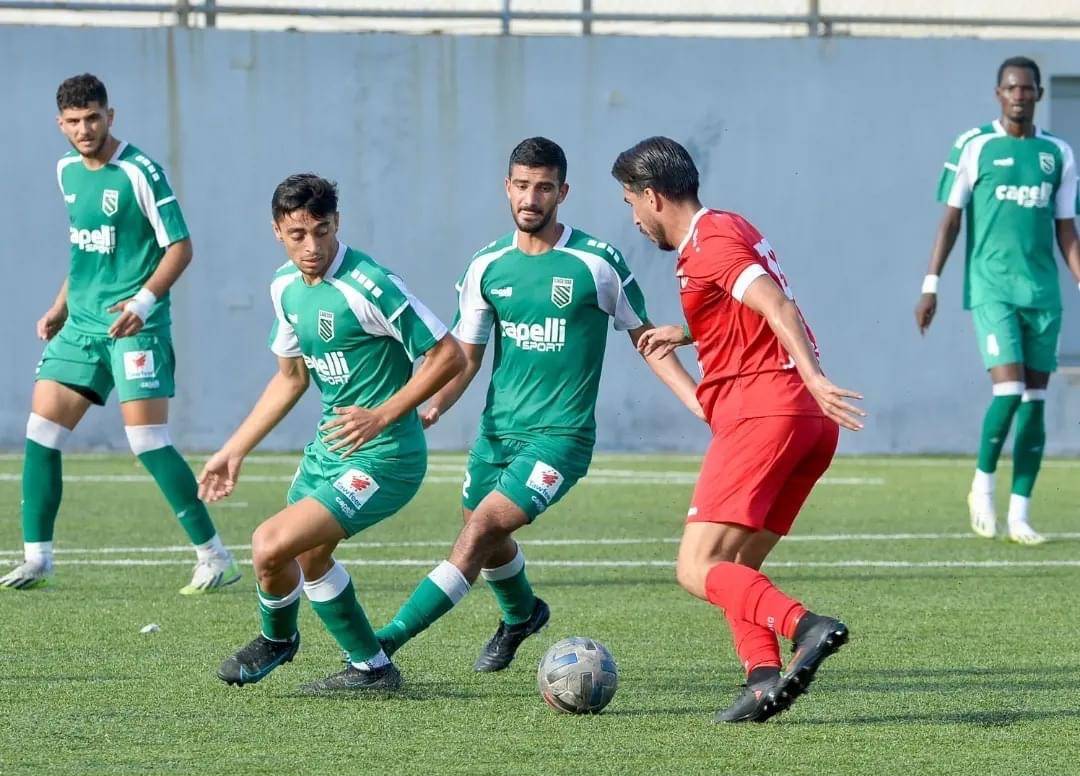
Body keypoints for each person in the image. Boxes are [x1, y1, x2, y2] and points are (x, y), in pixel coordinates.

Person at [374, 137, 703, 672]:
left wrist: (697, 402)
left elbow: (647, 341)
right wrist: (434, 406)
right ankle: (522, 614)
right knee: (481, 528)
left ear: (562, 193)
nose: (532, 198)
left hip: (560, 440)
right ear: (508, 188)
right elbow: (466, 357)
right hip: (498, 435)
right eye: (523, 186)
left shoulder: (597, 263)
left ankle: (380, 646)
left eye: (544, 188)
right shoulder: (487, 266)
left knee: (480, 531)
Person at [611, 136, 865, 723]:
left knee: (695, 568)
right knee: (735, 570)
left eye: (630, 203)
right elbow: (741, 303)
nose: (633, 218)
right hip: (804, 423)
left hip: (765, 413)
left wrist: (818, 376)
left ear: (652, 198)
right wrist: (687, 330)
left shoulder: (709, 244)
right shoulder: (728, 226)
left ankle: (807, 626)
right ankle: (762, 679)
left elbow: (775, 305)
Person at [199, 174, 463, 693]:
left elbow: (447, 355)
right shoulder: (283, 287)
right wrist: (234, 449)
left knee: (269, 544)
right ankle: (373, 667)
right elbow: (291, 378)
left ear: (337, 223)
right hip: (330, 451)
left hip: (386, 456)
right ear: (277, 230)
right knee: (308, 558)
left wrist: (384, 414)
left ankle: (277, 639)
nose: (312, 246)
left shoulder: (369, 283)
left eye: (322, 231)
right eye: (298, 234)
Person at [1, 74, 239, 593]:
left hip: (137, 326)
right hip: (82, 326)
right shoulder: (66, 171)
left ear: (111, 115)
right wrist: (59, 306)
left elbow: (180, 246)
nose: (84, 129)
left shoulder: (139, 172)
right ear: (59, 124)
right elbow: (85, 249)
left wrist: (143, 301)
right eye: (73, 121)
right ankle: (37, 559)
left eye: (93, 118)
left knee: (146, 440)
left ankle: (215, 556)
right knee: (41, 433)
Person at [916, 56, 1080, 546]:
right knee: (1008, 392)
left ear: (1039, 95)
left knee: (1034, 403)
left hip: (1043, 294)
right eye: (1011, 88)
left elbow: (1067, 230)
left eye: (1028, 89)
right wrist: (931, 284)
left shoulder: (1059, 155)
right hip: (991, 289)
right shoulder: (975, 146)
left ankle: (1021, 515)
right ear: (998, 93)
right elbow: (950, 221)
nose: (1019, 96)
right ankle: (982, 487)